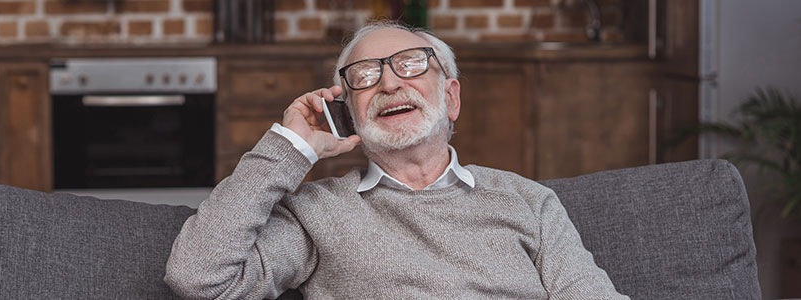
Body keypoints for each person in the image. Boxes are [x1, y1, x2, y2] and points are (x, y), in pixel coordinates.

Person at [164, 21, 628, 299]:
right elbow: (199, 279)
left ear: (450, 98)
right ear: (347, 113)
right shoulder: (317, 212)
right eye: (364, 77)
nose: (388, 84)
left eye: (410, 64)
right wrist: (289, 146)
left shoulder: (529, 201)